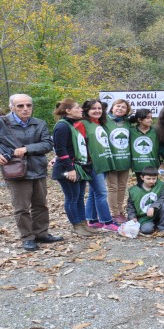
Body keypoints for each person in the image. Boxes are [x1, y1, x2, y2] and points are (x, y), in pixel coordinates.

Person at [0, 94, 61, 251]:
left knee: (40, 204)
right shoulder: (3, 123)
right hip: (16, 171)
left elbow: (47, 144)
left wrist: (27, 149)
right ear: (11, 107)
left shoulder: (39, 123)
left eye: (28, 105)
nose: (25, 109)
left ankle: (41, 233)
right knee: (21, 208)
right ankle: (27, 237)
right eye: (20, 106)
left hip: (38, 169)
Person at [51, 99, 97, 237]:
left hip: (80, 167)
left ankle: (83, 224)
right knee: (72, 198)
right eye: (77, 107)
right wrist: (70, 169)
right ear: (68, 111)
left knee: (79, 197)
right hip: (67, 168)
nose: (81, 109)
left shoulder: (73, 125)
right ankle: (76, 225)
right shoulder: (62, 126)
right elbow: (60, 150)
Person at [77, 99, 117, 231]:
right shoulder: (82, 124)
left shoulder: (99, 123)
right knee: (101, 193)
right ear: (86, 110)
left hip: (103, 161)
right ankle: (107, 221)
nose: (97, 111)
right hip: (92, 163)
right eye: (93, 108)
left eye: (99, 108)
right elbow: (76, 143)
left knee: (94, 192)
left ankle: (92, 220)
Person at [106, 98, 132, 223]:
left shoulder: (127, 123)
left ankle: (120, 210)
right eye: (118, 106)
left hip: (125, 158)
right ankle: (114, 213)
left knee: (122, 186)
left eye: (123, 107)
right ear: (112, 107)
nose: (120, 109)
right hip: (111, 159)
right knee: (112, 187)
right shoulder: (104, 121)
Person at [126, 166, 164, 234]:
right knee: (146, 230)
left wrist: (153, 206)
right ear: (142, 177)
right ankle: (152, 224)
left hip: (157, 212)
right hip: (144, 217)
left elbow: (163, 198)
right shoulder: (134, 191)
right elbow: (130, 206)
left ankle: (163, 227)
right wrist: (132, 217)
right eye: (148, 179)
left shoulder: (159, 186)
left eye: (154, 179)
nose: (151, 181)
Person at [129, 109, 160, 183]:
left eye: (151, 118)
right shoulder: (131, 131)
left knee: (153, 186)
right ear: (139, 120)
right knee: (141, 186)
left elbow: (160, 147)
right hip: (138, 165)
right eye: (148, 118)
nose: (151, 120)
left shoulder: (156, 131)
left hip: (153, 165)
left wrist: (161, 163)